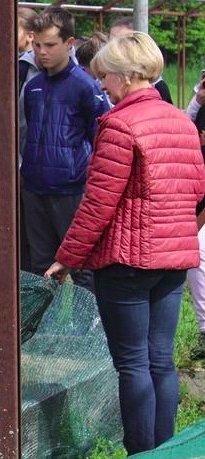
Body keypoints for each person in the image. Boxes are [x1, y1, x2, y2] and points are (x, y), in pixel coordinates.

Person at [45, 32, 205, 455]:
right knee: (160, 361)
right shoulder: (182, 122)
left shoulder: (119, 124)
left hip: (128, 261)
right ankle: (166, 450)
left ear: (124, 75)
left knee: (133, 364)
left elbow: (98, 203)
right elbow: (197, 188)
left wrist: (67, 257)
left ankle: (140, 452)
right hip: (173, 259)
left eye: (104, 76)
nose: (100, 85)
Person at [22, 8, 109, 299]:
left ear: (69, 43)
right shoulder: (32, 86)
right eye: (36, 45)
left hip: (72, 190)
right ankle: (38, 335)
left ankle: (90, 336)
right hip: (34, 188)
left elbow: (101, 141)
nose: (41, 52)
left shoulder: (86, 87)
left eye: (50, 45)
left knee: (83, 267)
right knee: (39, 267)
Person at [184, 67, 205, 361]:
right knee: (197, 258)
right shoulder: (200, 105)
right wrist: (197, 101)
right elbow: (185, 129)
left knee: (197, 254)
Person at [108, 16, 172, 105]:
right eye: (111, 42)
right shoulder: (106, 80)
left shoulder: (157, 86)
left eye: (123, 41)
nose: (113, 48)